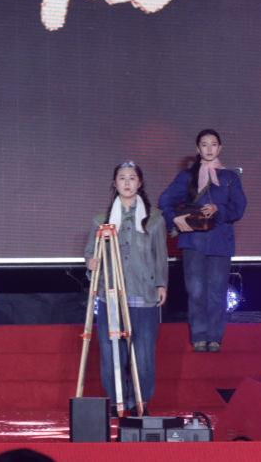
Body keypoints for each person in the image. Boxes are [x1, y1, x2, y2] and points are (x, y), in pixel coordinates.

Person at [84, 161, 168, 414]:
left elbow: (160, 255)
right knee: (112, 352)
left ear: (139, 183)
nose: (127, 182)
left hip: (144, 293)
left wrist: (161, 283)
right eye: (122, 178)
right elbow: (90, 252)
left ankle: (141, 402)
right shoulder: (102, 220)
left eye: (132, 178)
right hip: (110, 294)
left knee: (143, 352)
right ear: (115, 183)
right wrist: (91, 262)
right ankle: (117, 400)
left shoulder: (154, 219)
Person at [158, 129, 247, 353]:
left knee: (217, 292)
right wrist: (175, 219)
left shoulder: (229, 177)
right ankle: (198, 336)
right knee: (196, 291)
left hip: (220, 241)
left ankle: (215, 337)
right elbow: (164, 200)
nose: (209, 148)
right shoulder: (186, 176)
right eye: (204, 144)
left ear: (220, 148)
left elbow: (239, 207)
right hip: (193, 240)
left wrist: (219, 209)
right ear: (197, 149)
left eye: (213, 144)